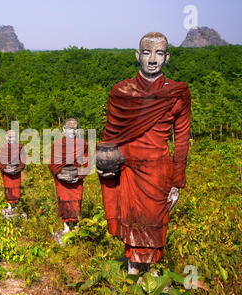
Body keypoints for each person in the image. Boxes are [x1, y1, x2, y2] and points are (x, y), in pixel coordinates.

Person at [97, 32, 191, 275]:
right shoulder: (121, 91)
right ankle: (132, 270)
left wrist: (177, 180)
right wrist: (104, 163)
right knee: (130, 217)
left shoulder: (178, 93)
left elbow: (181, 141)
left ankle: (152, 274)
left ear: (167, 57)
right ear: (137, 55)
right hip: (126, 167)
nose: (152, 59)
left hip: (158, 170)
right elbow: (111, 135)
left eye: (159, 53)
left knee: (153, 221)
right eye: (147, 52)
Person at [48, 118, 90, 242]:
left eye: (74, 128)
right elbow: (52, 163)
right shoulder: (58, 144)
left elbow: (87, 162)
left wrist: (80, 175)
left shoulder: (84, 144)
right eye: (69, 129)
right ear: (63, 130)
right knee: (64, 200)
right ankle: (66, 226)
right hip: (62, 177)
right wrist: (59, 174)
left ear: (78, 130)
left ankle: (76, 225)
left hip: (76, 177)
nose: (72, 131)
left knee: (76, 200)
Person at [0, 130, 26, 212]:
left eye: (12, 137)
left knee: (16, 188)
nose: (11, 138)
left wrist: (19, 168)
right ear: (6, 137)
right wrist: (4, 168)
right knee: (8, 188)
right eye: (9, 137)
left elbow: (23, 160)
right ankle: (9, 205)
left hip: (16, 170)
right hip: (7, 171)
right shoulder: (2, 147)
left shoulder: (20, 147)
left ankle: (16, 206)